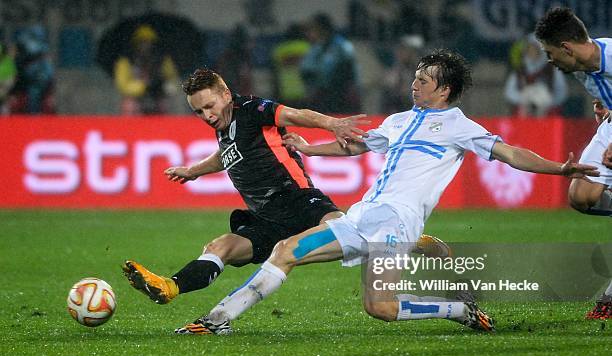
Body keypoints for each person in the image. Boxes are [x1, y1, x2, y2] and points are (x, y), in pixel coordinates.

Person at [174, 50, 598, 335]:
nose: (415, 84)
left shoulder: (458, 126)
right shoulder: (397, 121)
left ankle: (457, 309)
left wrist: (560, 168)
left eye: (424, 80)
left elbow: (510, 153)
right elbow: (356, 145)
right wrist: (310, 148)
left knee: (379, 307)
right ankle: (218, 319)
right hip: (363, 215)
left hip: (396, 221)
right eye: (415, 77)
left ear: (444, 90)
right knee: (284, 250)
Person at [121, 68, 448, 313]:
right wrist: (193, 171)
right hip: (266, 218)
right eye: (198, 112)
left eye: (209, 106)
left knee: (346, 228)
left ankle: (408, 241)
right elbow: (227, 155)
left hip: (299, 200)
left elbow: (294, 114)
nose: (207, 116)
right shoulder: (225, 127)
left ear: (224, 93)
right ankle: (169, 286)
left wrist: (331, 124)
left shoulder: (251, 109)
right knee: (222, 245)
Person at [535, 7, 612, 319]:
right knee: (582, 196)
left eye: (550, 53)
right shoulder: (581, 66)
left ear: (566, 48)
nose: (550, 61)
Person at [301, 13, 361, 114]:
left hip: (341, 95)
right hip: (321, 96)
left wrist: (353, 90)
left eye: (312, 29)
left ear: (321, 28)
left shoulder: (341, 46)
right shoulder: (316, 48)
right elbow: (307, 71)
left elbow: (350, 69)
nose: (309, 33)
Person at [114, 25, 179, 115]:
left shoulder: (162, 60)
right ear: (136, 44)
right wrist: (142, 85)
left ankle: (166, 127)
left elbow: (173, 80)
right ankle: (129, 128)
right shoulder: (126, 61)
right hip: (136, 97)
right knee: (129, 105)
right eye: (142, 42)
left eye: (149, 42)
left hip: (157, 95)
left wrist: (164, 86)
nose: (146, 45)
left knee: (166, 104)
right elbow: (123, 85)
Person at [504, 33, 568, 117]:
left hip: (548, 112)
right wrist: (524, 100)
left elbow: (562, 92)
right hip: (524, 111)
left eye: (535, 49)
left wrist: (548, 101)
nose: (532, 52)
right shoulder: (520, 69)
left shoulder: (552, 69)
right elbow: (509, 92)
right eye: (529, 49)